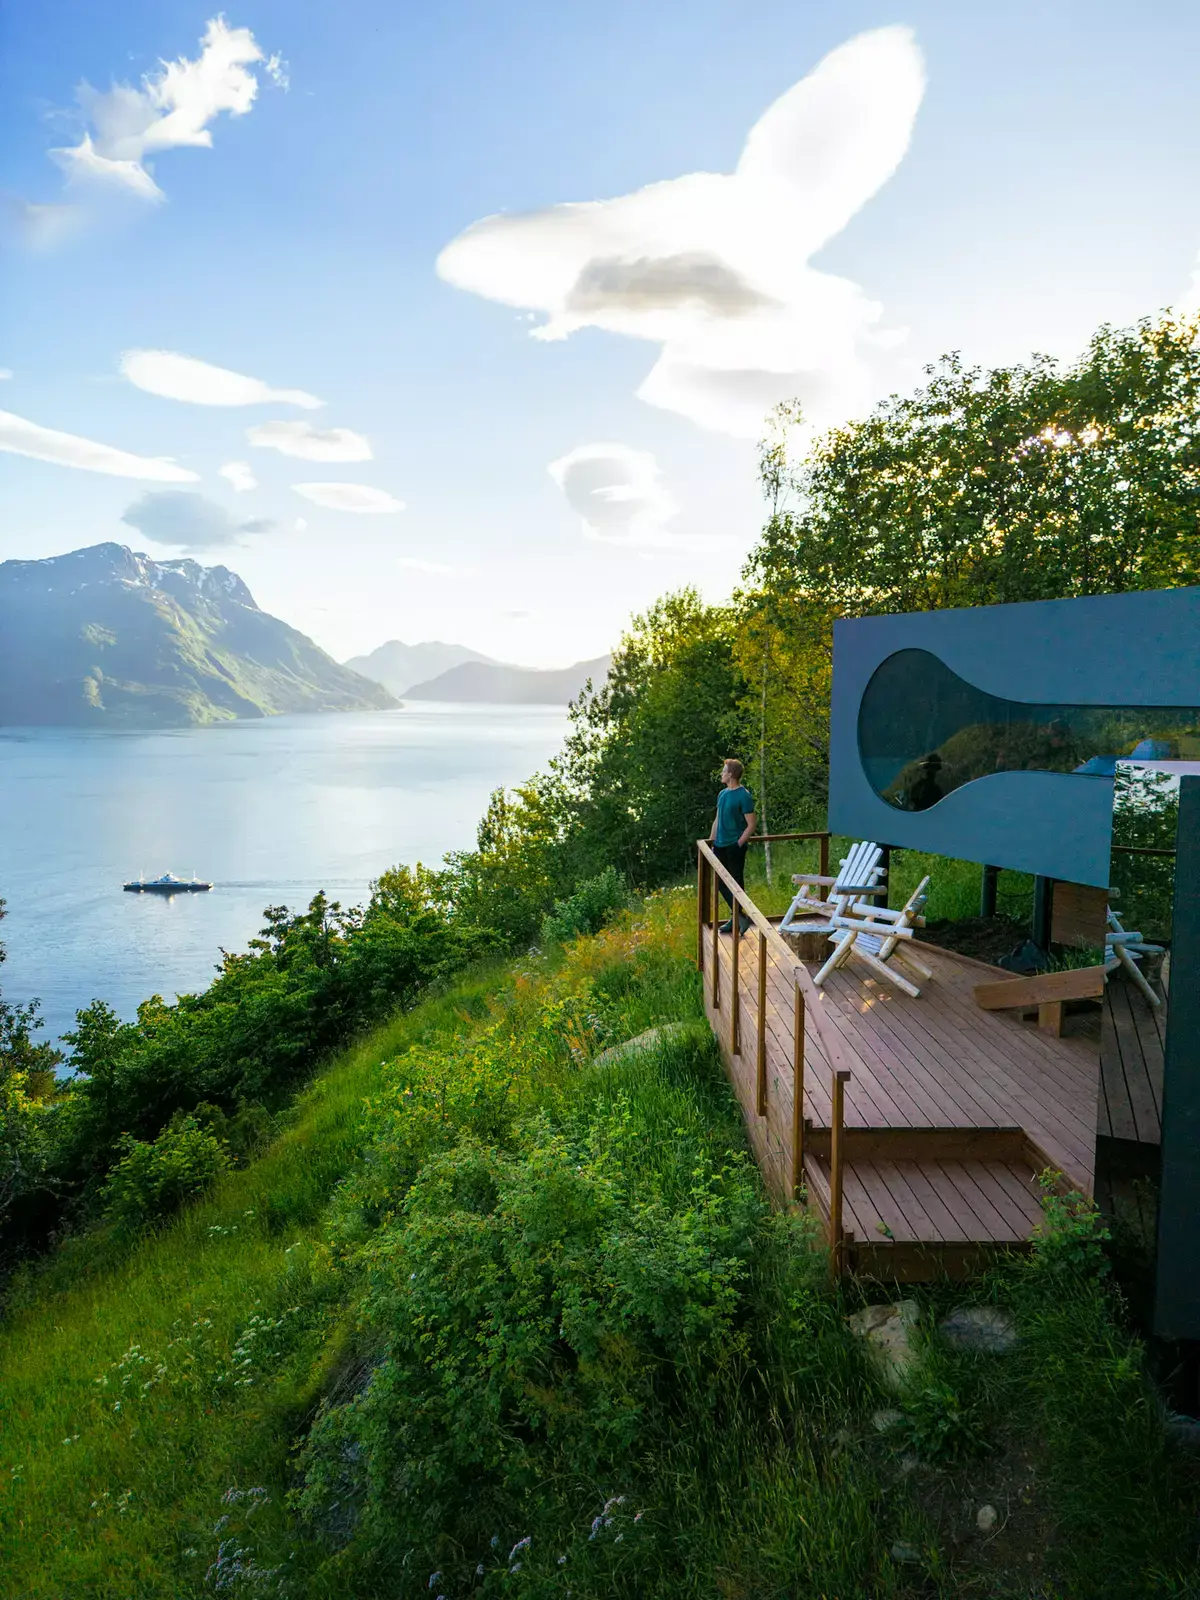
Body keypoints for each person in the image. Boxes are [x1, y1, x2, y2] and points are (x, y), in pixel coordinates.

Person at [708, 757, 756, 934]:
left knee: (736, 882)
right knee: (720, 882)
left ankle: (736, 918)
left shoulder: (744, 795)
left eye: (723, 771)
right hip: (719, 845)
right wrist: (710, 842)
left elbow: (751, 824)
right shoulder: (722, 794)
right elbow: (717, 819)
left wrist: (739, 843)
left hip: (734, 846)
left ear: (731, 774)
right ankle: (739, 917)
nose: (721, 774)